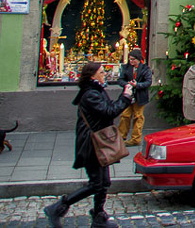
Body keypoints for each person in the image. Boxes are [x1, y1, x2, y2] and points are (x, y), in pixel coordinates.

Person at [43, 61, 133, 228]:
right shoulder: (90, 94)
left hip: (99, 142)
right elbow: (109, 111)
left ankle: (99, 217)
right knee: (96, 183)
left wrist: (124, 96)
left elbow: (108, 109)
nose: (104, 73)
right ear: (92, 76)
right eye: (101, 71)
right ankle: (58, 207)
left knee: (104, 182)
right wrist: (126, 97)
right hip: (92, 143)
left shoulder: (96, 90)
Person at [116, 48, 152, 146]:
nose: (131, 61)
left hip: (140, 96)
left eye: (133, 59)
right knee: (125, 115)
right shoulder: (126, 68)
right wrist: (127, 84)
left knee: (138, 117)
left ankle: (136, 139)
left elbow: (148, 82)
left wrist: (137, 85)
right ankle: (121, 136)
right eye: (130, 59)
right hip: (128, 95)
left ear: (138, 59)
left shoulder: (145, 69)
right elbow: (120, 80)